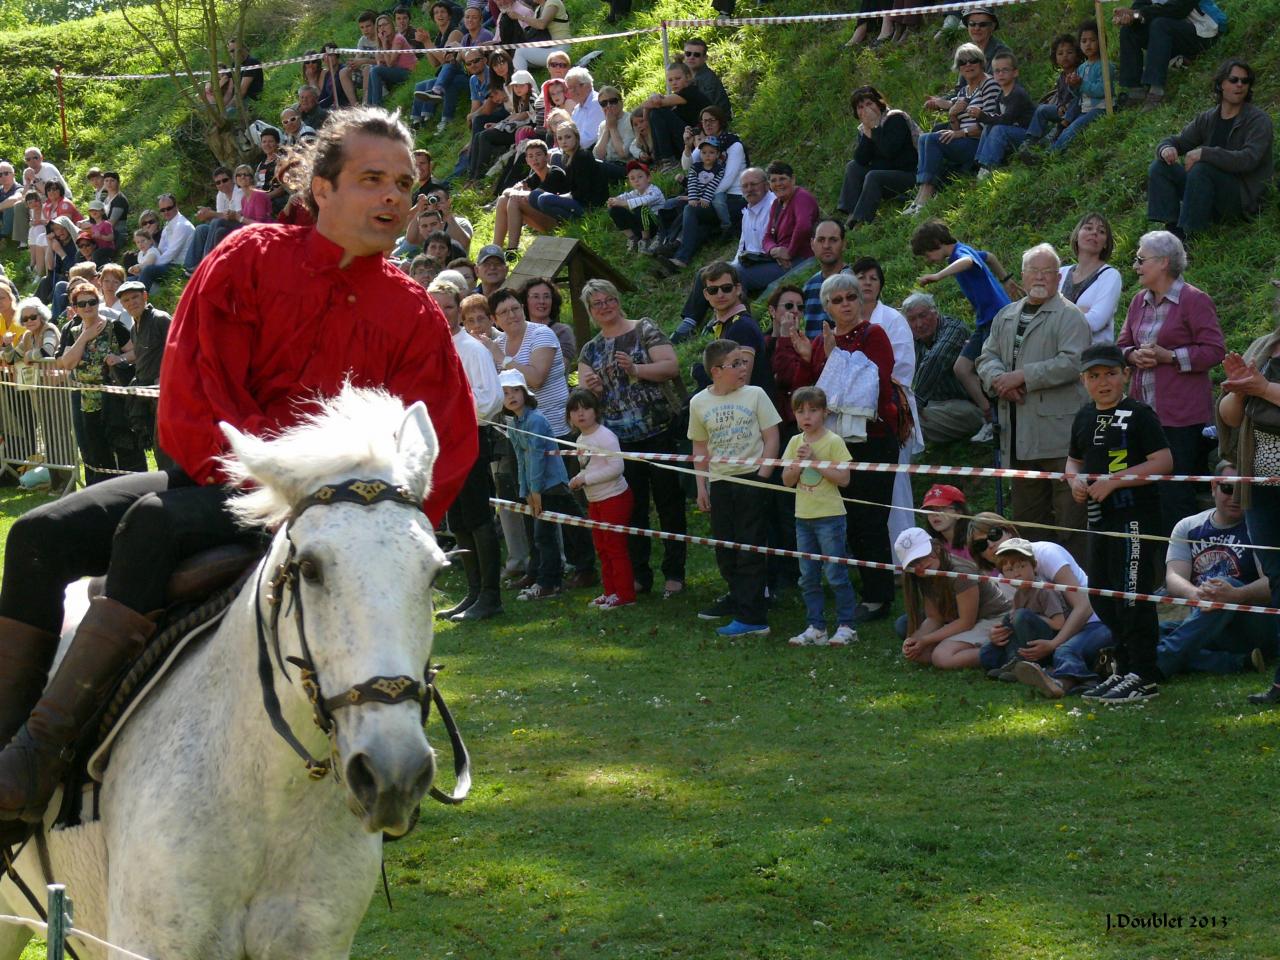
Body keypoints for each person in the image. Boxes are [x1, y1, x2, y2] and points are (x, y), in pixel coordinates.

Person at [0, 107, 479, 828]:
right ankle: (10, 752)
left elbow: (444, 439)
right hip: (224, 484)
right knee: (34, 536)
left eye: (404, 184)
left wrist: (370, 532)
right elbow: (198, 399)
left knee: (154, 525)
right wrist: (277, 481)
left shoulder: (413, 312)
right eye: (371, 179)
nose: (393, 198)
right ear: (320, 188)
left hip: (338, 524)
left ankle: (45, 753)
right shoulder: (248, 257)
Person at [775, 274, 899, 625]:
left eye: (851, 297)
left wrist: (834, 357)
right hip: (833, 444)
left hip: (872, 441)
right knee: (849, 520)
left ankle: (878, 596)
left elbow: (876, 386)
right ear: (827, 306)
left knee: (871, 518)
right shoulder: (821, 340)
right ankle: (861, 590)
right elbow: (809, 396)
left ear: (861, 300)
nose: (845, 304)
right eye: (837, 300)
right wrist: (806, 356)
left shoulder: (874, 335)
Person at [1066, 342, 1173, 704]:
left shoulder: (1140, 413)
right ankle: (1124, 668)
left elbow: (1163, 462)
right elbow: (1073, 461)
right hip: (1099, 520)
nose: (1103, 382)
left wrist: (1116, 480)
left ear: (1126, 375)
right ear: (1083, 381)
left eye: (1111, 373)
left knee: (1132, 594)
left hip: (1136, 519)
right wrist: (1074, 480)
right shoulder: (1083, 416)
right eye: (1094, 376)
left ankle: (1143, 673)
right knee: (1100, 592)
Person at [977, 244, 1091, 560]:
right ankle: (1041, 591)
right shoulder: (1006, 315)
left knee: (1071, 524)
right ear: (1023, 275)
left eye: (1047, 272)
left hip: (1059, 440)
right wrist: (1000, 381)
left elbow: (1073, 363)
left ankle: (1080, 592)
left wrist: (1023, 376)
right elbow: (986, 357)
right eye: (1033, 271)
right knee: (1028, 524)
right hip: (1016, 438)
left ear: (1058, 278)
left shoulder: (1070, 316)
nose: (1040, 277)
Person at [577, 280, 687, 598]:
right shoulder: (591, 350)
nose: (605, 306)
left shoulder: (643, 329)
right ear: (590, 311)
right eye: (597, 303)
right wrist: (593, 391)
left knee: (669, 504)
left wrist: (637, 369)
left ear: (618, 300)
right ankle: (640, 574)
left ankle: (675, 573)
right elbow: (585, 399)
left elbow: (670, 366)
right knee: (632, 508)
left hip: (660, 430)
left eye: (609, 299)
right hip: (619, 440)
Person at [1117, 229, 1225, 535]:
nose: (1135, 266)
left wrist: (1171, 357)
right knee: (1148, 496)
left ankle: (1183, 571)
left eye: (1140, 259)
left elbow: (1215, 350)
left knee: (1176, 498)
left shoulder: (1194, 300)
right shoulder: (1139, 301)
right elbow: (1120, 345)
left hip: (1181, 419)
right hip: (1143, 415)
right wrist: (1132, 355)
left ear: (1163, 262)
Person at [689, 338, 781, 637]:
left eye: (744, 362)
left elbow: (771, 437)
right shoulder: (698, 402)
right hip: (720, 483)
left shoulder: (755, 395)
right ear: (716, 370)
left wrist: (762, 476)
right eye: (736, 363)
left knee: (750, 548)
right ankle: (741, 600)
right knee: (725, 549)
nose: (743, 368)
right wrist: (701, 486)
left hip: (751, 478)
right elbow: (700, 447)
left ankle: (753, 618)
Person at [966, 513, 1114, 698]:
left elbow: (1084, 607)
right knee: (990, 652)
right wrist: (1000, 632)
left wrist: (1053, 644)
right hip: (1055, 630)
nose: (990, 544)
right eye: (981, 545)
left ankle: (1062, 682)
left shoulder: (1046, 553)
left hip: (1096, 621)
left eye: (994, 534)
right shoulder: (1004, 578)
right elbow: (1023, 616)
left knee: (1064, 650)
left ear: (1009, 531)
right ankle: (1038, 667)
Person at [1215, 298, 1280, 706]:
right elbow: (1231, 418)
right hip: (1263, 489)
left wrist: (1262, 388)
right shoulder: (1261, 346)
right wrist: (1239, 392)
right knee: (1278, 582)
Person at [429, 277, 504, 622]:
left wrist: (451, 415)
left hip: (470, 440)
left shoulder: (473, 350)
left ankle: (490, 596)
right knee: (457, 519)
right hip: (442, 446)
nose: (441, 313)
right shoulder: (428, 348)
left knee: (477, 517)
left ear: (457, 309)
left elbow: (490, 400)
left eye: (447, 306)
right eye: (435, 305)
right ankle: (473, 593)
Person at [1158, 463, 1275, 677]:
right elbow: (1174, 577)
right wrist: (1198, 595)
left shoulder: (1260, 527)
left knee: (1223, 585)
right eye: (1228, 489)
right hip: (1203, 618)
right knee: (1149, 631)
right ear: (1214, 487)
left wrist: (1236, 594)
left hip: (1251, 621)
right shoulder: (1187, 526)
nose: (1236, 497)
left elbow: (1273, 581)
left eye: (1243, 490)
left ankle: (1157, 664)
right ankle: (1238, 663)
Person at [1146, 60, 1274, 241]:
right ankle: (1173, 230)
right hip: (1205, 190)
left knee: (1202, 168)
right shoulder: (1208, 118)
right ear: (1221, 84)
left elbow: (1248, 159)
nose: (1240, 85)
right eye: (1234, 79)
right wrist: (1166, 148)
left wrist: (1205, 153)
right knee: (1161, 167)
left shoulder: (1258, 120)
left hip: (1240, 198)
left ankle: (1190, 236)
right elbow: (1179, 141)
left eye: (1245, 81)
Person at [912, 218, 1013, 442]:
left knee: (995, 368)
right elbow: (990, 257)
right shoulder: (962, 251)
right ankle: (990, 417)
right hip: (984, 321)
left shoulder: (960, 253)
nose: (929, 261)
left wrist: (938, 276)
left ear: (937, 243)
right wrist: (1006, 280)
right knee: (962, 368)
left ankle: (1006, 420)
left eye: (927, 254)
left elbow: (967, 261)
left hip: (998, 319)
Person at [500, 367, 587, 601]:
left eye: (515, 390)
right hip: (537, 486)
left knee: (550, 532)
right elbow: (521, 458)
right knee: (565, 526)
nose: (511, 396)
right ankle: (571, 573)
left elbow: (537, 456)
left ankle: (551, 582)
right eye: (506, 393)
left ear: (525, 393)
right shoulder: (515, 424)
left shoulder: (536, 420)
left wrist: (535, 490)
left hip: (551, 484)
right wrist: (524, 490)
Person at [782, 386, 856, 648]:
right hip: (803, 517)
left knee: (836, 573)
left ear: (824, 413)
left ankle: (847, 625)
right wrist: (798, 465)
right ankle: (816, 627)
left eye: (813, 410)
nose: (807, 416)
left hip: (830, 517)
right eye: (801, 411)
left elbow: (844, 479)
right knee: (808, 576)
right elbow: (787, 480)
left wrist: (815, 462)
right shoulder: (794, 443)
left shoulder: (833, 441)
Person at [55, 279, 145, 483]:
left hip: (116, 401)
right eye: (82, 303)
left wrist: (119, 358)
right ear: (75, 308)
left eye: (92, 302)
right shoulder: (72, 331)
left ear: (98, 302)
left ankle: (137, 490)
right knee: (98, 454)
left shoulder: (115, 326)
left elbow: (135, 352)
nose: (88, 307)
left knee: (127, 450)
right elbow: (67, 363)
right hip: (89, 403)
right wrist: (85, 336)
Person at [896, 526, 1010, 670]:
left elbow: (966, 622)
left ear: (936, 548)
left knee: (941, 656)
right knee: (919, 654)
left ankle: (1004, 654)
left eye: (922, 556)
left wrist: (925, 640)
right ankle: (971, 651)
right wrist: (915, 640)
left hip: (992, 618)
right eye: (913, 562)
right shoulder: (924, 574)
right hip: (963, 621)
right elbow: (934, 618)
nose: (920, 565)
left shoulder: (960, 573)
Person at [906, 43, 1001, 213]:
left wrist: (958, 133)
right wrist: (952, 115)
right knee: (924, 137)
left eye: (973, 60)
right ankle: (920, 197)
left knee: (933, 139)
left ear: (981, 62)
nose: (968, 65)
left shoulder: (990, 85)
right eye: (963, 63)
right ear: (959, 68)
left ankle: (925, 196)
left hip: (980, 143)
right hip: (964, 140)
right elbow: (955, 125)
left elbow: (989, 123)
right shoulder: (964, 90)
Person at [565, 389, 635, 610]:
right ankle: (610, 591)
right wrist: (577, 478)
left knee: (615, 547)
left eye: (586, 408)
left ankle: (625, 595)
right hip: (595, 500)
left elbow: (617, 467)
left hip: (614, 497)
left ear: (596, 411)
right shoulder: (580, 439)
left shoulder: (605, 436)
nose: (581, 414)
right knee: (602, 548)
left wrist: (586, 480)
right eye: (575, 410)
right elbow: (588, 467)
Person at [980, 537, 1069, 680]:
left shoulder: (1044, 590)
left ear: (1034, 566)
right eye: (1009, 569)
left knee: (1021, 615)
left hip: (1045, 642)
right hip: (1023, 641)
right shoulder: (1018, 595)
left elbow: (1059, 624)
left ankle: (1024, 665)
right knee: (987, 652)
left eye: (1021, 566)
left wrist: (1034, 617)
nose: (1016, 573)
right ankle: (1011, 662)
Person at [904, 293, 984, 443]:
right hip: (937, 405)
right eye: (912, 319)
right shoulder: (915, 339)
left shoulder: (953, 329)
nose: (919, 324)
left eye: (923, 315)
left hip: (971, 406)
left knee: (908, 423)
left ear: (935, 312)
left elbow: (936, 359)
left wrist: (914, 404)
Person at [836, 85, 918, 230]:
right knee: (853, 167)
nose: (865, 110)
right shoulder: (864, 129)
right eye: (860, 107)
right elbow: (861, 160)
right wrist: (868, 134)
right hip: (885, 175)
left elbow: (890, 152)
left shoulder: (895, 118)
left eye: (869, 104)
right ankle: (850, 214)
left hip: (909, 174)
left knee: (874, 176)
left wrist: (875, 129)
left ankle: (860, 221)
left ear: (879, 104)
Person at [1113, 0, 1215, 110]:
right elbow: (1139, 8)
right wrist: (1129, 16)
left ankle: (1156, 91)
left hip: (1201, 32)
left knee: (1160, 24)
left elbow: (1177, 10)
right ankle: (1135, 89)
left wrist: (1138, 14)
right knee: (1128, 30)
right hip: (1169, 34)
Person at [114, 279, 173, 468]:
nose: (132, 302)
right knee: (157, 444)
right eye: (126, 300)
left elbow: (181, 351)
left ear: (145, 296)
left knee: (164, 443)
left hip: (165, 392)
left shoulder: (160, 319)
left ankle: (172, 484)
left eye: (135, 297)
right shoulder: (134, 328)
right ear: (122, 305)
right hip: (146, 392)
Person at [689, 261, 772, 393]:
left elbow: (741, 384)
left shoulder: (741, 326)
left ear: (738, 289)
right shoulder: (728, 324)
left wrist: (704, 377)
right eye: (713, 290)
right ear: (706, 294)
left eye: (726, 288)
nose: (720, 294)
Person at [1058, 212, 1122, 345]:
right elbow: (1040, 312)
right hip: (1057, 352)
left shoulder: (1110, 276)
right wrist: (1081, 310)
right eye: (1088, 228)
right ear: (1076, 236)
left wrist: (1057, 313)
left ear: (1105, 243)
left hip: (1092, 357)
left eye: (1101, 231)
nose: (1094, 233)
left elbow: (1095, 321)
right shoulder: (1061, 273)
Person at [971, 52, 1033, 178]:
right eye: (997, 71)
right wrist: (983, 117)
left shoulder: (1017, 94)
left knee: (999, 129)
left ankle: (988, 166)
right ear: (993, 75)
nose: (1001, 74)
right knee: (988, 127)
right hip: (1012, 132)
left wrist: (983, 116)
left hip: (1027, 135)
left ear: (1015, 72)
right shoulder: (1000, 96)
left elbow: (1006, 120)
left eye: (1005, 70)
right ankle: (979, 163)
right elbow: (995, 117)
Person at [642, 61, 711, 163]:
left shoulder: (690, 92)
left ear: (688, 77)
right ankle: (661, 160)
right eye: (670, 80)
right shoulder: (676, 98)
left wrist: (653, 99)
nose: (674, 83)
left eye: (678, 79)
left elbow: (652, 104)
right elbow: (646, 118)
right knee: (655, 113)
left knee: (658, 112)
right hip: (686, 138)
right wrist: (650, 104)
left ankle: (667, 159)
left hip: (698, 140)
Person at [139, 194, 194, 292]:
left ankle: (140, 301)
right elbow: (159, 250)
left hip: (180, 267)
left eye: (169, 208)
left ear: (176, 207)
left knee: (148, 270)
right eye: (162, 210)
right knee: (132, 279)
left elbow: (171, 254)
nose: (166, 212)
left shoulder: (182, 225)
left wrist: (147, 266)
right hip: (170, 264)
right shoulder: (169, 224)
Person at [519, 276, 576, 370]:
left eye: (546, 296)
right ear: (525, 301)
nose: (542, 301)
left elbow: (560, 369)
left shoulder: (562, 332)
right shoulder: (518, 331)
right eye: (536, 297)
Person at [606, 160, 664, 251]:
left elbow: (644, 200)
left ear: (648, 178)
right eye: (632, 178)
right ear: (630, 182)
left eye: (640, 177)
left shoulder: (654, 190)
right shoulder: (635, 192)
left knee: (640, 207)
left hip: (656, 225)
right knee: (614, 209)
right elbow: (625, 196)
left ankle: (646, 240)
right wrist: (614, 200)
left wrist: (622, 203)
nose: (636, 180)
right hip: (641, 226)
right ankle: (633, 238)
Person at [510, 0, 571, 72]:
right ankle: (515, 80)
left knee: (520, 51)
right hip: (548, 49)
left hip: (560, 49)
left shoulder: (553, 2)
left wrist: (519, 16)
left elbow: (542, 24)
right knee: (516, 58)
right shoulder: (538, 9)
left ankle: (520, 81)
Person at [682, 38, 731, 120]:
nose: (691, 57)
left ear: (705, 58)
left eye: (696, 55)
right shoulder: (685, 75)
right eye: (688, 54)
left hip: (713, 123)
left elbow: (703, 108)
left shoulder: (708, 79)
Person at [921, 483, 971, 560]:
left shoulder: (974, 543)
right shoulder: (930, 546)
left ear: (959, 512)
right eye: (930, 510)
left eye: (942, 508)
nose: (935, 514)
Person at [565, 68, 604, 150]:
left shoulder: (597, 103)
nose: (572, 91)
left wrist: (565, 148)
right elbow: (570, 132)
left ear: (588, 85)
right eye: (570, 88)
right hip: (578, 149)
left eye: (575, 86)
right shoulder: (577, 109)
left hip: (592, 152)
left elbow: (589, 138)